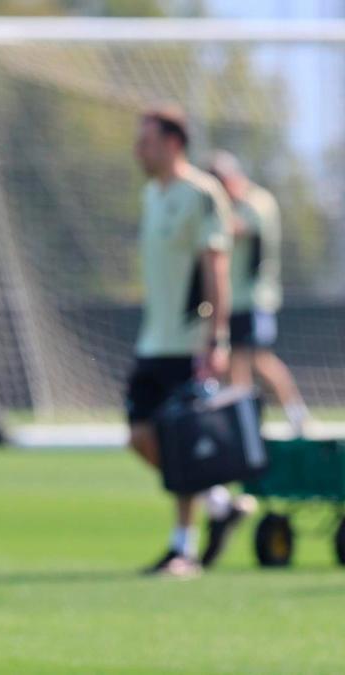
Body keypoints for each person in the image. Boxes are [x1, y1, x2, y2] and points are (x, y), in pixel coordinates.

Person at [128, 105, 244, 578]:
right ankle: (219, 502)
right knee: (140, 438)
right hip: (152, 340)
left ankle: (184, 549)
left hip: (188, 341)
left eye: (148, 139)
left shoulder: (202, 194)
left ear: (173, 143)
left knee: (180, 442)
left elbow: (215, 266)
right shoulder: (152, 194)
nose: (139, 148)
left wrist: (215, 338)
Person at [208, 151, 310, 437]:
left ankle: (294, 413)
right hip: (232, 298)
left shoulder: (257, 201)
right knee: (236, 361)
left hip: (253, 297)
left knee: (256, 359)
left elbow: (234, 229)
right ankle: (244, 423)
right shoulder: (230, 205)